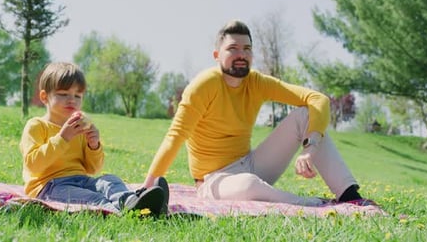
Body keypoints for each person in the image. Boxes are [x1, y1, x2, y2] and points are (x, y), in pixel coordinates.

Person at [143, 20, 374, 206]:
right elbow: (175, 136)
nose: (241, 54)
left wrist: (310, 147)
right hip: (213, 180)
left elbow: (317, 99)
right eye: (232, 48)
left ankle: (349, 196)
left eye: (247, 49)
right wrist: (148, 187)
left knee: (305, 115)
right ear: (217, 56)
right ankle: (313, 205)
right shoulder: (204, 85)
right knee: (249, 185)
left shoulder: (256, 82)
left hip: (251, 163)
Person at [19, 62, 169, 215]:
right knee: (93, 198)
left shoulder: (81, 127)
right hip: (49, 187)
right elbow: (33, 166)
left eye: (78, 96)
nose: (72, 100)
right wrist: (62, 138)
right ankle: (120, 215)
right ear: (44, 97)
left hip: (82, 181)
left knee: (110, 181)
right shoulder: (37, 125)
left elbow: (93, 169)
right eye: (63, 94)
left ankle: (133, 202)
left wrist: (94, 145)